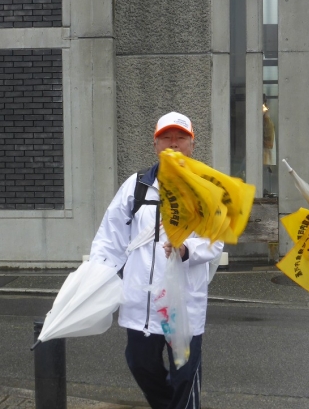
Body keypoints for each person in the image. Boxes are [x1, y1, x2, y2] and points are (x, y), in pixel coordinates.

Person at [89, 111, 224, 409]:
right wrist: (94, 276)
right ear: (155, 144)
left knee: (185, 377)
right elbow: (110, 238)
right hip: (142, 303)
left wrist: (186, 250)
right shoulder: (135, 186)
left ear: (192, 145)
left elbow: (214, 243)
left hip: (183, 305)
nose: (173, 144)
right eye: (166, 137)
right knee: (140, 365)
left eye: (181, 138)